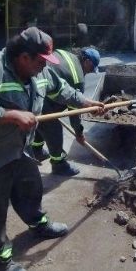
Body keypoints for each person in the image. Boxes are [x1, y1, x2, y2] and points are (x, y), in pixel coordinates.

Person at [0, 27, 104, 271]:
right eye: (41, 61)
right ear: (24, 57)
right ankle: (0, 259)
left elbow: (61, 90)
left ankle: (38, 225)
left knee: (31, 188)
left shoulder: (39, 71)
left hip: (20, 148)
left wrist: (86, 102)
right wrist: (11, 115)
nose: (44, 66)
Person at [31, 47, 101, 176]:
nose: (89, 72)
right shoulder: (78, 79)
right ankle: (59, 164)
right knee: (53, 128)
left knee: (43, 124)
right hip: (39, 91)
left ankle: (36, 150)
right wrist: (79, 133)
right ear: (87, 61)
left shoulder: (67, 54)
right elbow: (74, 113)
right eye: (91, 68)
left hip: (38, 85)